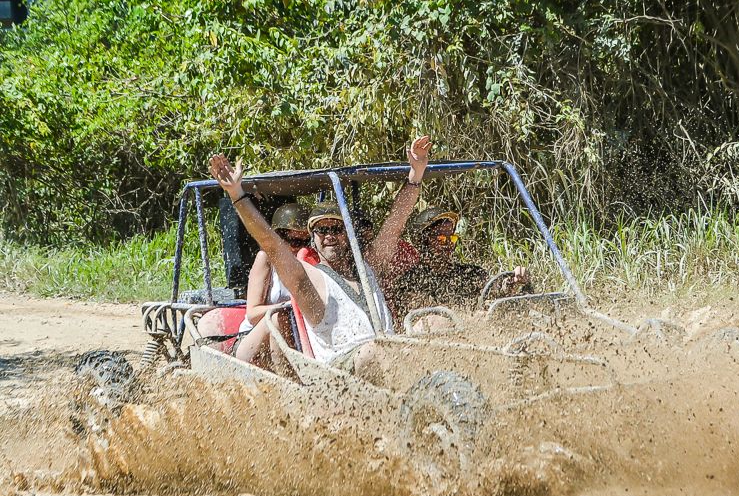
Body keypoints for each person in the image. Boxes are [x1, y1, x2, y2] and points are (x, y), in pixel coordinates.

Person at [208, 136, 432, 382]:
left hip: (386, 357)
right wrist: (237, 195)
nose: (329, 236)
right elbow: (271, 244)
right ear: (312, 238)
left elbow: (395, 224)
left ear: (347, 235)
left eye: (336, 229)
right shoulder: (308, 279)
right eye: (321, 230)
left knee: (430, 334)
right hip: (339, 374)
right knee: (374, 351)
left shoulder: (369, 267)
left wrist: (415, 175)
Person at [392, 207, 531, 326]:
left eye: (451, 238)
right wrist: (472, 319)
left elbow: (496, 291)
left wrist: (513, 282)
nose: (448, 244)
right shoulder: (410, 281)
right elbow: (427, 320)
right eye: (441, 239)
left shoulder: (470, 273)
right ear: (423, 241)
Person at [233, 203, 310, 365]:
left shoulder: (310, 262)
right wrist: (291, 306)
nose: (301, 248)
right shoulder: (265, 258)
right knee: (279, 318)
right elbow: (253, 315)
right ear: (280, 239)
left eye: (307, 241)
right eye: (296, 241)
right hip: (254, 340)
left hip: (296, 341)